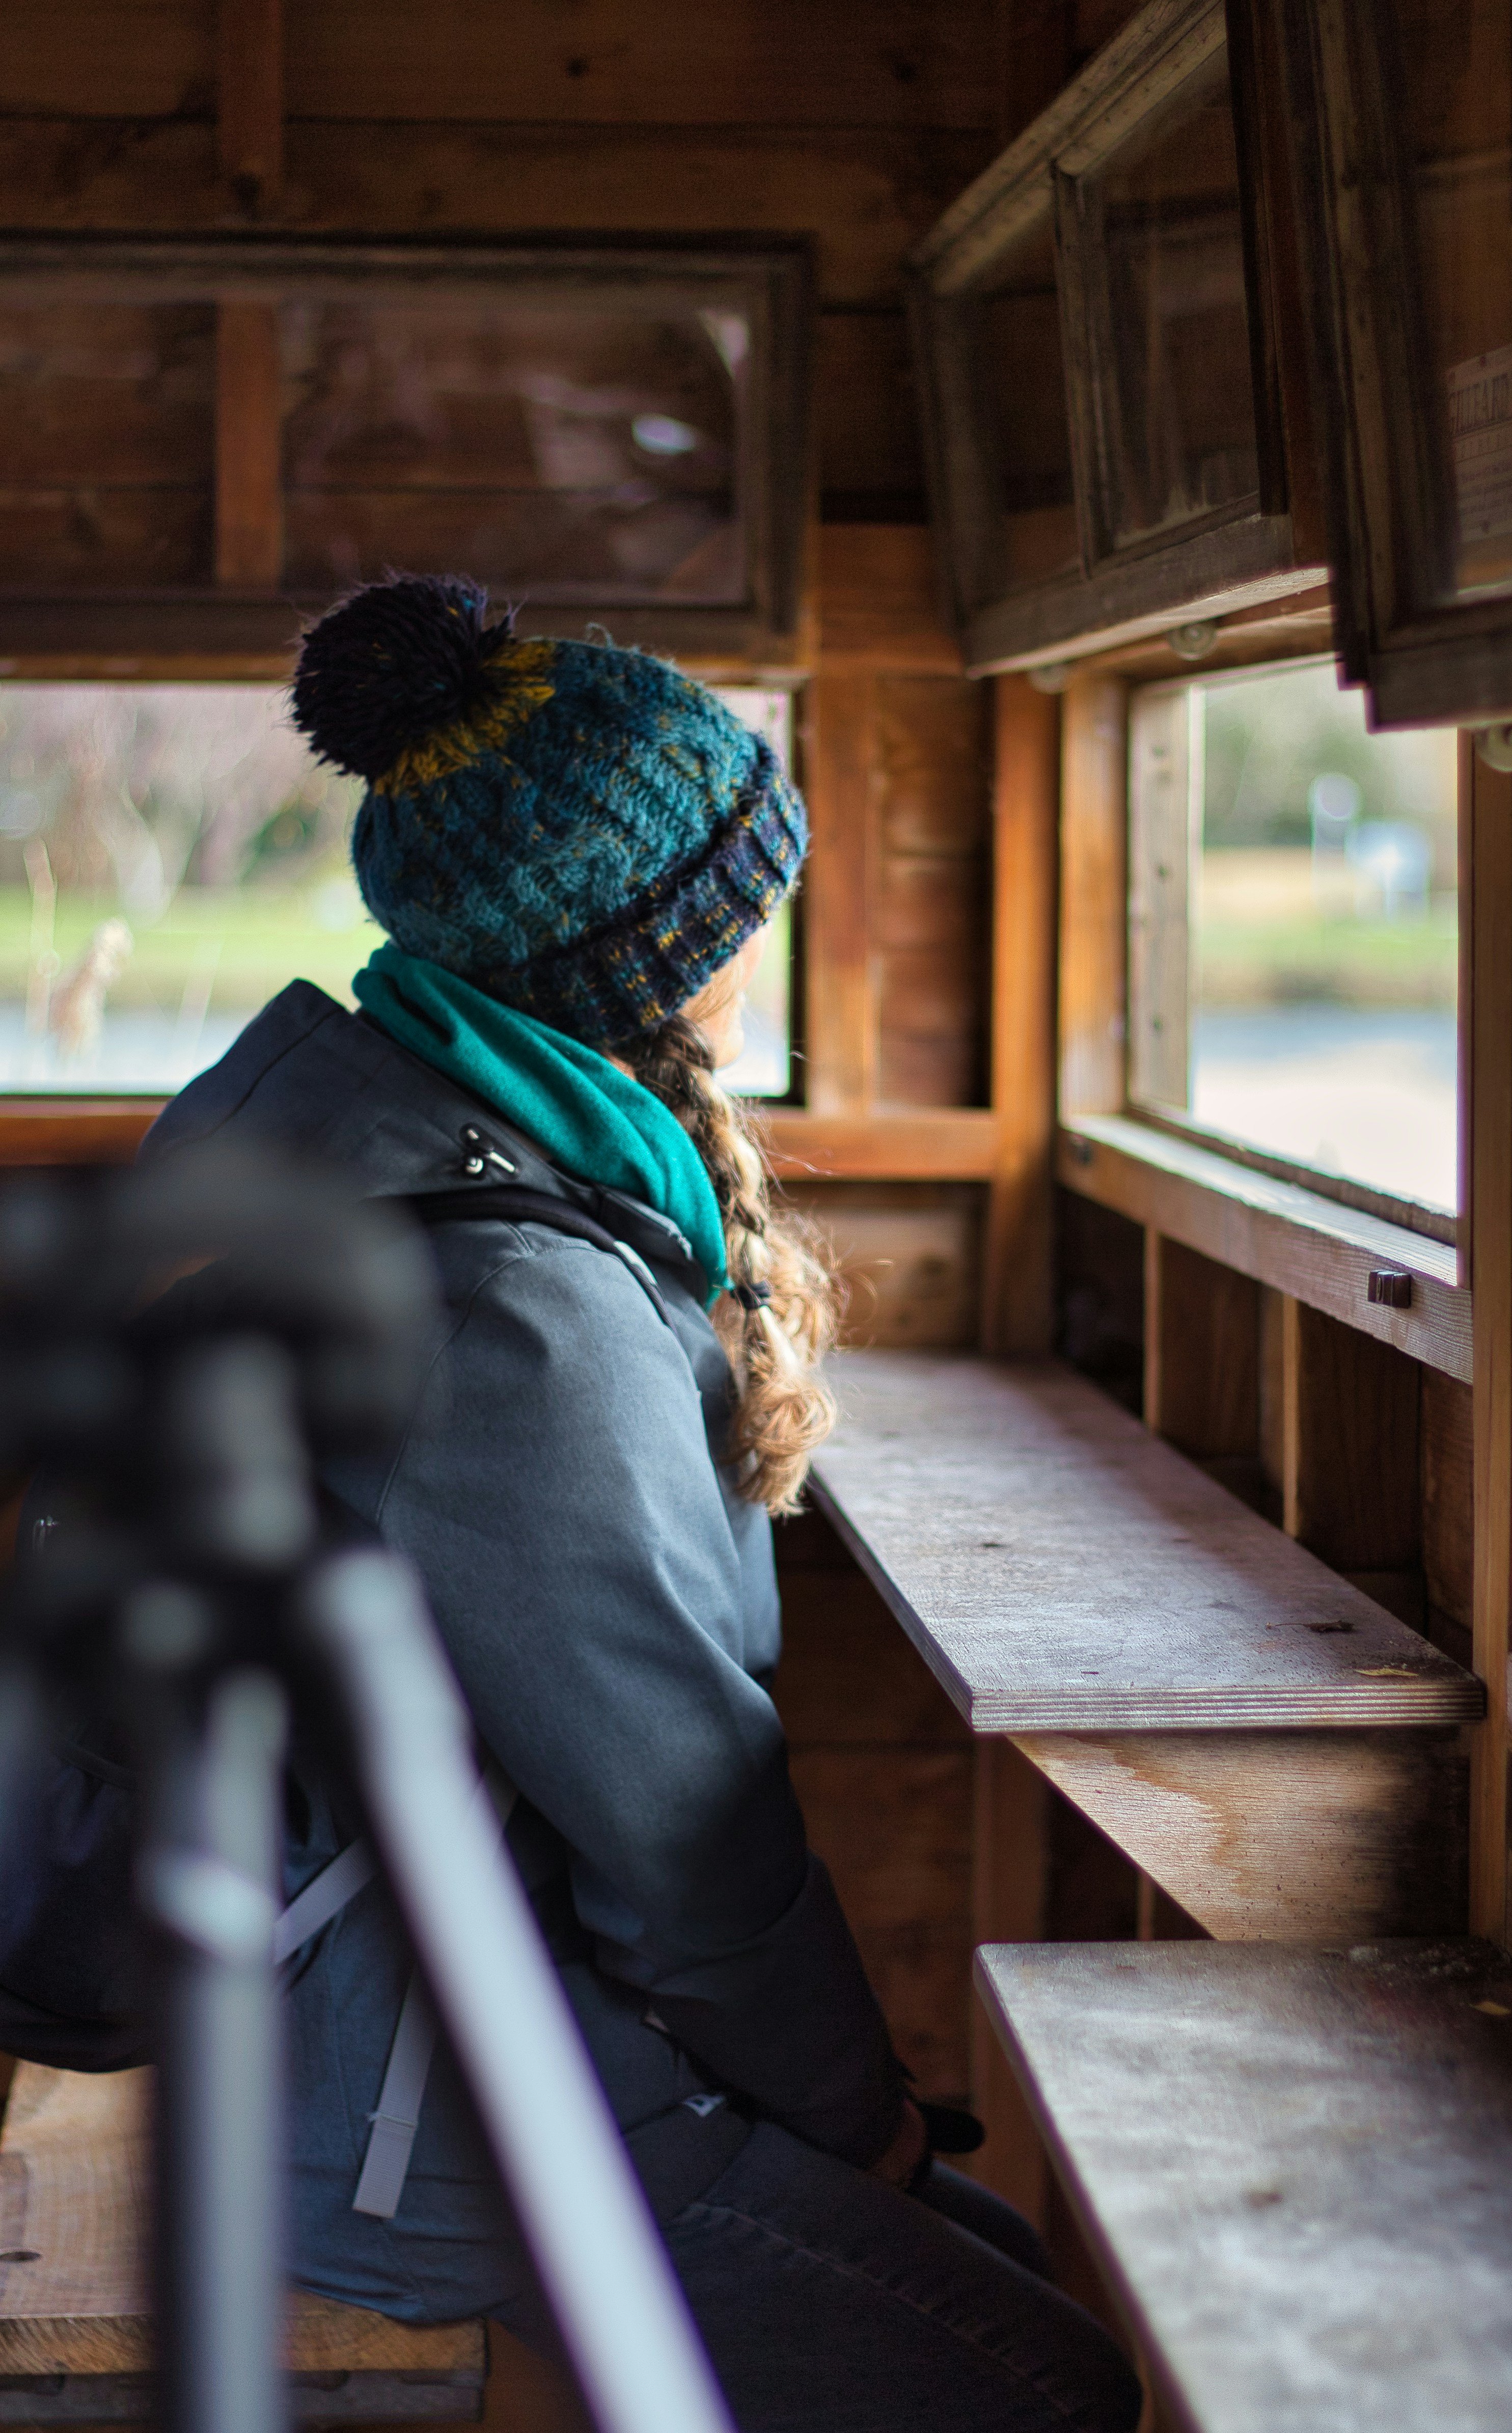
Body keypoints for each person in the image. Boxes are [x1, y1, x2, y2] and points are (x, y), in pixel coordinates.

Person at [143, 576, 1142, 2433]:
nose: (765, 935)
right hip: (409, 2104)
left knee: (990, 2271)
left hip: (355, 2014)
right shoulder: (518, 1304)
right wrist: (862, 2119)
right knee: (1039, 2379)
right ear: (653, 955)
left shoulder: (392, 1146)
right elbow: (681, 1834)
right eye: (745, 901)